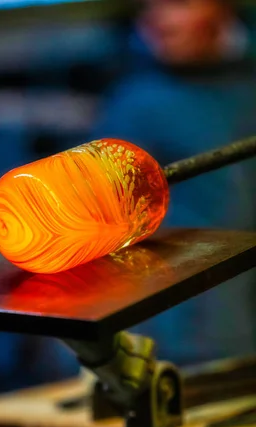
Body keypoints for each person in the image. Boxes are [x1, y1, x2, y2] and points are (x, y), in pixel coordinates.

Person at [93, 0, 256, 365]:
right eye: (148, 6)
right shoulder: (136, 103)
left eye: (177, 3)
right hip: (191, 331)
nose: (158, 18)